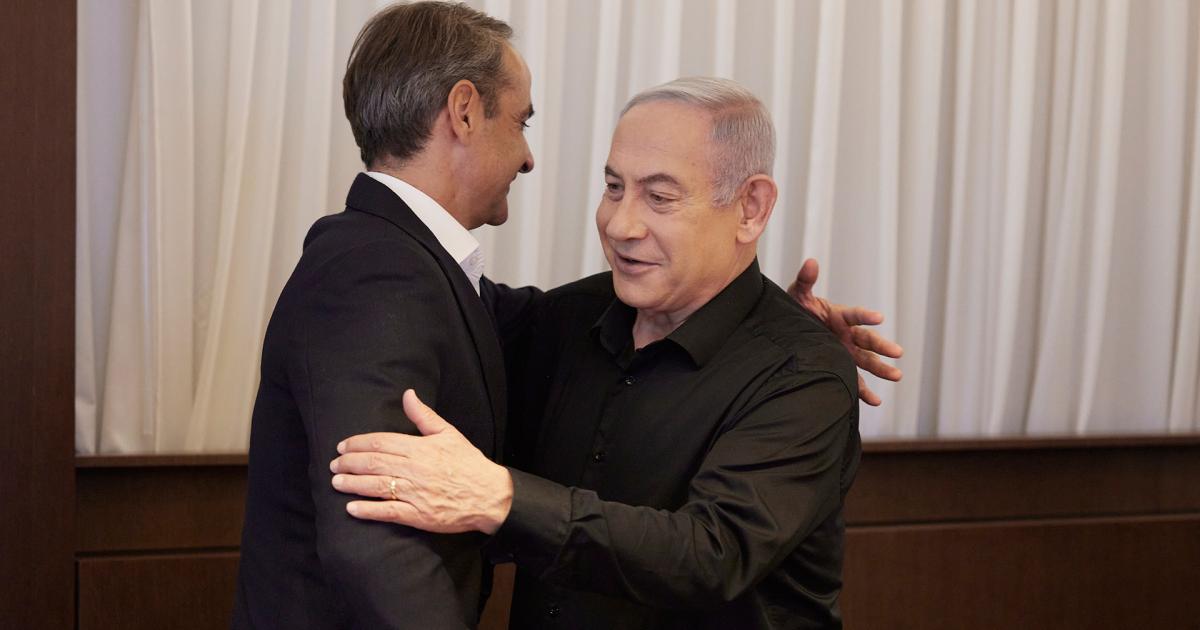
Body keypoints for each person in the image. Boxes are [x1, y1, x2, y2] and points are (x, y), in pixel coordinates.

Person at [329, 77, 882, 629]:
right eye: (614, 187)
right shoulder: (566, 319)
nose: (620, 224)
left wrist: (500, 498)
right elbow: (431, 289)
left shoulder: (802, 373)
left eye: (660, 197)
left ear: (750, 208)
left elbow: (712, 554)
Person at [233, 3, 533, 628]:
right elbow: (373, 542)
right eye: (520, 122)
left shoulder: (403, 259)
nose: (527, 157)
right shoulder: (377, 269)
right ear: (464, 110)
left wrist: (695, 282)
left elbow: (536, 319)